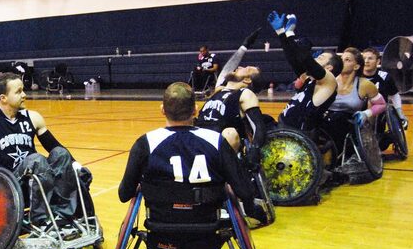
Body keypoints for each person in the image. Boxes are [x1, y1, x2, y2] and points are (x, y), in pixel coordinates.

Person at [0, 72, 91, 229]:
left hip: (36, 178)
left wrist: (78, 167)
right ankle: (40, 221)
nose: (24, 95)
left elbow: (54, 146)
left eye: (23, 90)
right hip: (8, 184)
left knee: (60, 154)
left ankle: (62, 214)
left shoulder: (33, 117)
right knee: (36, 160)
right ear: (3, 98)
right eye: (18, 92)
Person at [118, 82, 264, 224]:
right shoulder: (216, 141)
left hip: (160, 229)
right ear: (195, 110)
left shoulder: (145, 143)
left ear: (162, 110)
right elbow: (244, 190)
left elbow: (124, 195)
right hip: (207, 229)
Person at [267, 12, 343, 132]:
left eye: (321, 58)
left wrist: (290, 33)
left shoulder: (329, 81)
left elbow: (305, 58)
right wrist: (281, 33)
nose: (317, 58)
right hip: (283, 128)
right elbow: (293, 60)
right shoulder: (310, 79)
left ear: (329, 68)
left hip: (297, 138)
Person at [195, 28, 266, 158]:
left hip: (219, 144)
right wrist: (244, 47)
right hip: (199, 137)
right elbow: (228, 68)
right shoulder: (220, 89)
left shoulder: (245, 94)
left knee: (230, 134)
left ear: (247, 79)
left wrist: (255, 151)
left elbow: (258, 127)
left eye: (246, 68)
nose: (239, 66)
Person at [320, 47, 385, 155]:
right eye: (341, 58)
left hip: (349, 121)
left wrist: (366, 113)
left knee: (337, 118)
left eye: (347, 60)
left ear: (356, 66)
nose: (342, 62)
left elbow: (381, 104)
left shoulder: (364, 84)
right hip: (326, 118)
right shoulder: (329, 79)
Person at [363, 47, 408, 134]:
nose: (366, 61)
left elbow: (394, 95)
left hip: (378, 114)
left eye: (370, 58)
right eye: (364, 58)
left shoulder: (385, 77)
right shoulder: (355, 77)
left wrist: (399, 112)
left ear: (378, 61)